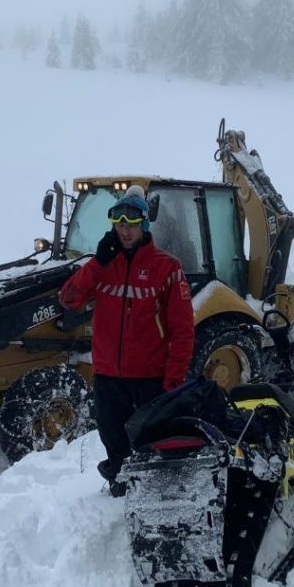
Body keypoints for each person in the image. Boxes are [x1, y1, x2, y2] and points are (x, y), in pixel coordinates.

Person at [59, 185, 195, 496]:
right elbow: (68, 299)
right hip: (108, 376)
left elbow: (183, 330)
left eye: (131, 223)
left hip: (150, 378)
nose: (125, 230)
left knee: (152, 440)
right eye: (119, 223)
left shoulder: (167, 267)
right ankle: (120, 489)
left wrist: (174, 379)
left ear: (143, 223)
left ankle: (155, 492)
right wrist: (97, 263)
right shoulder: (103, 265)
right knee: (113, 439)